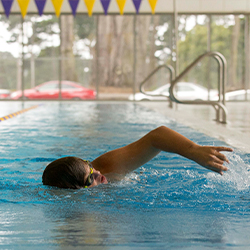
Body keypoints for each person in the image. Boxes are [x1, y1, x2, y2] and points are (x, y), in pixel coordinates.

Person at [42, 126, 233, 189]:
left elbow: (157, 136)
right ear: (75, 191)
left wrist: (194, 150)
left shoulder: (106, 168)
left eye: (90, 167)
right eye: (90, 178)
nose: (99, 174)